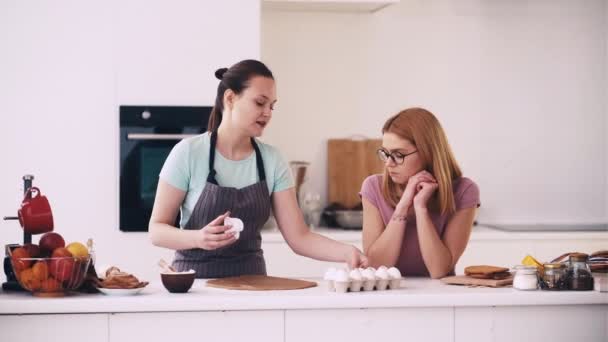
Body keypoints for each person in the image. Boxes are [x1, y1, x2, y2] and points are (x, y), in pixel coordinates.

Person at [149, 59, 368, 278]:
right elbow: (157, 231)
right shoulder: (188, 152)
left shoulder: (272, 160)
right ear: (230, 98)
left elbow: (300, 237)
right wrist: (198, 238)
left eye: (272, 106)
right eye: (260, 103)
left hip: (253, 288)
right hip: (193, 285)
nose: (268, 113)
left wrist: (347, 251)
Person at [360, 107, 479, 279]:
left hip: (438, 296)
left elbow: (439, 270)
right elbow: (376, 267)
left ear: (427, 152)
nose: (389, 164)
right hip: (386, 294)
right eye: (386, 154)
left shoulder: (464, 191)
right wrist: (402, 207)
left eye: (398, 154)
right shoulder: (373, 187)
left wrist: (420, 208)